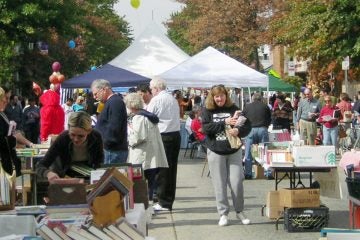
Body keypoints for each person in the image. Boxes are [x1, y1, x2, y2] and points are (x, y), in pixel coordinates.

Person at [202, 84, 252, 226]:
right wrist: (224, 122)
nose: (220, 98)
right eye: (217, 96)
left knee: (237, 182)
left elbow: (247, 125)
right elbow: (205, 128)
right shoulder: (207, 110)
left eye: (222, 95)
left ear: (226, 95)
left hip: (233, 150)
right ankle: (223, 213)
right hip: (216, 151)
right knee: (219, 184)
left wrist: (238, 131)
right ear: (213, 97)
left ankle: (240, 211)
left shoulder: (234, 108)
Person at [36, 111, 104, 182]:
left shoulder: (96, 137)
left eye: (81, 136)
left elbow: (99, 163)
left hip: (86, 179)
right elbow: (40, 165)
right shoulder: (63, 138)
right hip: (64, 178)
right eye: (72, 134)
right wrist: (48, 173)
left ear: (89, 131)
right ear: (68, 128)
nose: (76, 139)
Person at [124, 93, 168, 201]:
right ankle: (149, 204)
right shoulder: (148, 115)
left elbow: (138, 137)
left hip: (142, 155)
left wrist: (127, 140)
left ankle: (145, 205)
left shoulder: (138, 117)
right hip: (151, 154)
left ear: (131, 105)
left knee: (141, 183)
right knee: (150, 183)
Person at [147, 77, 181, 211]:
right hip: (174, 134)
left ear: (156, 88)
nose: (151, 91)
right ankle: (167, 200)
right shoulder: (172, 98)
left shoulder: (156, 100)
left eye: (151, 89)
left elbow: (149, 117)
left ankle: (163, 202)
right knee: (171, 169)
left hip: (163, 135)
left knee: (161, 169)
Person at [91, 79, 128, 164]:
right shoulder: (112, 102)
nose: (94, 97)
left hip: (112, 151)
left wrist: (105, 143)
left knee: (109, 177)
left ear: (104, 89)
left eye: (96, 94)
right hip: (111, 150)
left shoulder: (115, 102)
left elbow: (114, 128)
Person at [243, 93, 272, 179]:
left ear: (252, 99)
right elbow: (270, 118)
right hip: (263, 129)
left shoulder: (247, 107)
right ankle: (268, 173)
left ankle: (248, 173)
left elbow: (243, 118)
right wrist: (266, 126)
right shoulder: (265, 106)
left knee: (248, 153)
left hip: (251, 130)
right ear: (261, 99)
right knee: (265, 152)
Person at [0, 87, 22, 176]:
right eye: (4, 99)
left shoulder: (2, 113)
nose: (6, 101)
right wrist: (10, 138)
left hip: (7, 159)